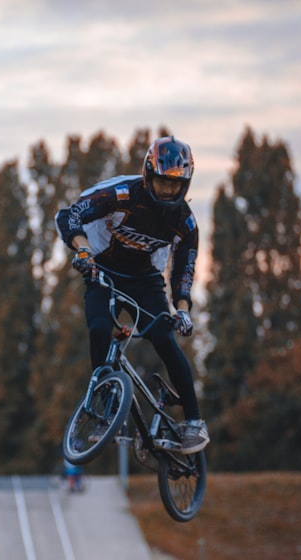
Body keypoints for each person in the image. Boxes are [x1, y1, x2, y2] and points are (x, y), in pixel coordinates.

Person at [55, 136, 208, 453]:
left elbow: (183, 269)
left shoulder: (185, 222)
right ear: (147, 174)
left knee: (165, 339)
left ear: (186, 185)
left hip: (144, 279)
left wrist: (182, 310)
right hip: (102, 269)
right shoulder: (122, 193)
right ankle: (105, 410)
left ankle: (194, 421)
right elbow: (67, 215)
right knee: (98, 329)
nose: (167, 192)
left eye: (174, 186)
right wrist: (83, 252)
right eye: (161, 183)